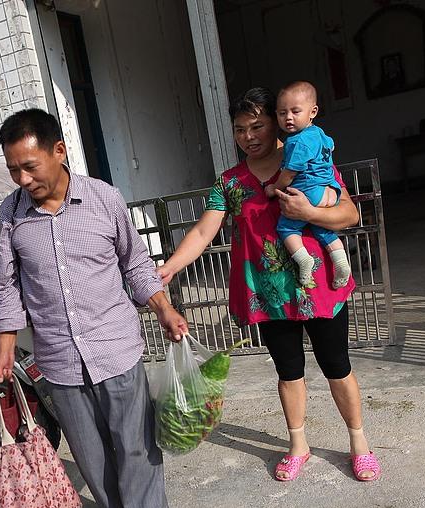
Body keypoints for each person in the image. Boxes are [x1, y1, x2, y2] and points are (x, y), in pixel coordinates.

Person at [0, 109, 188, 508]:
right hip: (58, 358)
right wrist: (5, 342)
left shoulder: (103, 199)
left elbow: (135, 264)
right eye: (13, 169)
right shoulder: (11, 215)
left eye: (30, 166)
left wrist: (163, 308)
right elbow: (6, 284)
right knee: (89, 451)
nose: (22, 178)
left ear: (59, 151)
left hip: (115, 347)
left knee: (136, 445)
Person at [157, 88, 381, 483]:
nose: (249, 136)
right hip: (270, 296)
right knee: (288, 371)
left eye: (257, 125)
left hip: (318, 290)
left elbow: (348, 212)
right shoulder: (230, 182)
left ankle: (359, 443)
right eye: (240, 129)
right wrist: (171, 266)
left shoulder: (308, 159)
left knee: (337, 367)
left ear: (276, 123)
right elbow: (204, 230)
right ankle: (298, 445)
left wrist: (309, 212)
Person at [265, 80, 351, 289]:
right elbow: (330, 146)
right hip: (330, 190)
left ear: (312, 112)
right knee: (321, 227)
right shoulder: (320, 134)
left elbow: (289, 174)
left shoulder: (297, 141)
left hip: (309, 190)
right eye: (282, 113)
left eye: (295, 111)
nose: (289, 118)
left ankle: (304, 260)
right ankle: (341, 261)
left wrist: (274, 188)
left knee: (286, 228)